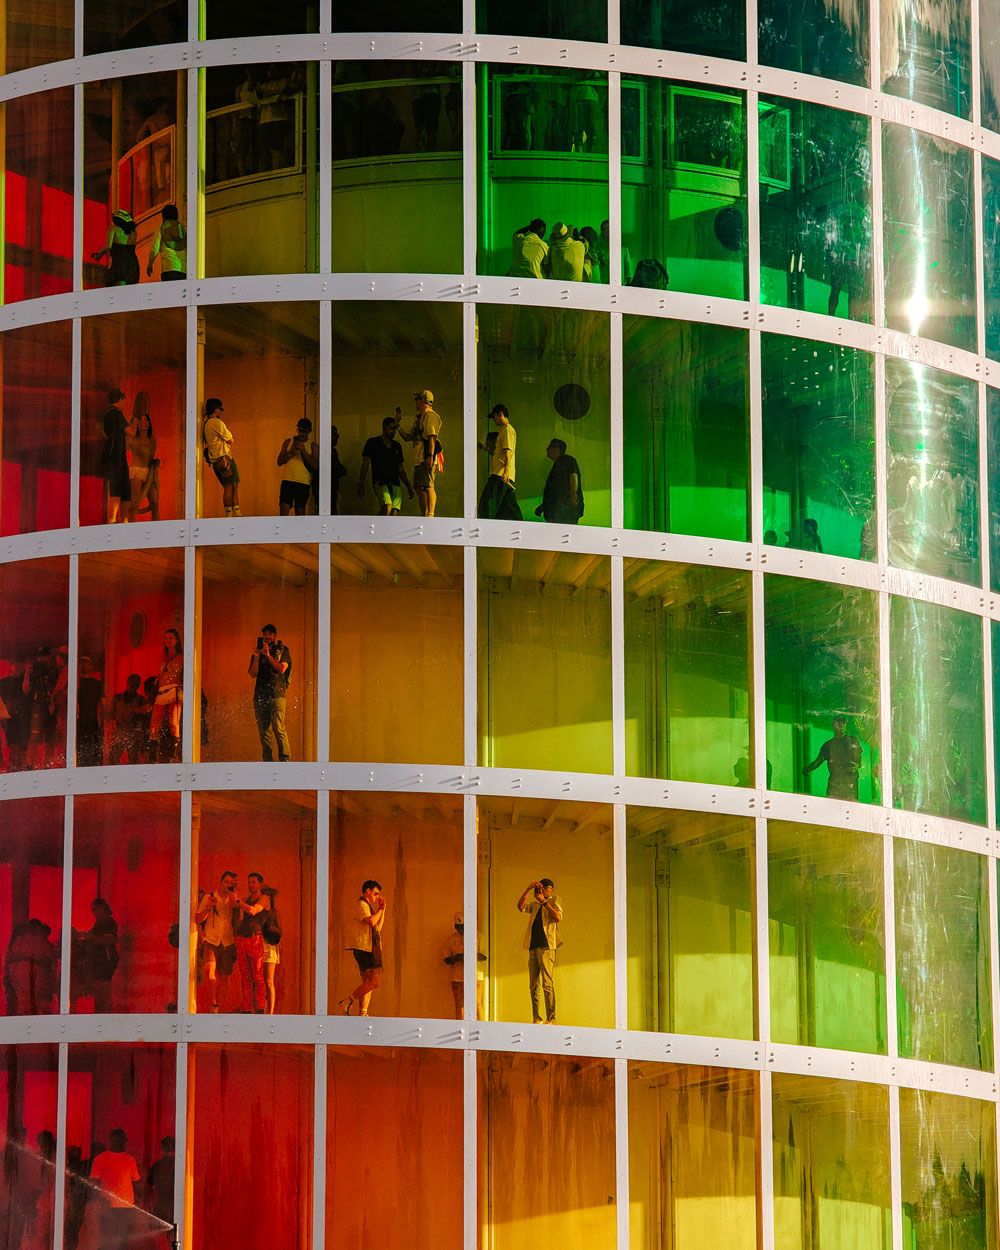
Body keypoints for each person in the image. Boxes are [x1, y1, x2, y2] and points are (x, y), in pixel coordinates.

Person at [516, 878, 563, 1025]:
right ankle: (536, 1017)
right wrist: (528, 889)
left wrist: (544, 902)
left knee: (547, 983)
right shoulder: (535, 905)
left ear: (551, 889)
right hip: (533, 947)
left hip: (547, 947)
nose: (544, 891)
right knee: (533, 985)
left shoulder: (554, 900)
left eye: (546, 888)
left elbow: (558, 917)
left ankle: (551, 1017)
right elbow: (520, 906)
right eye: (542, 888)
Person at [340, 880, 386, 1017]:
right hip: (364, 948)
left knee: (367, 983)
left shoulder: (369, 907)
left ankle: (363, 1012)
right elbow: (371, 921)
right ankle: (348, 1001)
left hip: (369, 947)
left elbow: (378, 927)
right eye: (376, 893)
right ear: (368, 891)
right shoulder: (362, 904)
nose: (377, 897)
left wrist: (383, 909)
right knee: (374, 982)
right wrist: (379, 909)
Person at [194, 871, 239, 1012]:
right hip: (211, 940)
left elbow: (238, 919)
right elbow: (198, 919)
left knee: (224, 976)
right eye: (226, 882)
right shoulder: (209, 897)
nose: (228, 885)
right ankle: (213, 1003)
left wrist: (236, 901)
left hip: (227, 941)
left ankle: (220, 1007)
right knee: (210, 972)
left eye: (231, 883)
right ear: (220, 882)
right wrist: (208, 907)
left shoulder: (234, 900)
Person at [88, 1129, 139, 1247]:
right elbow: (94, 1183)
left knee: (124, 1242)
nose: (123, 1142)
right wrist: (99, 1200)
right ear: (112, 1140)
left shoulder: (130, 1160)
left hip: (127, 1207)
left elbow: (135, 1182)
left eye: (123, 1139)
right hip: (108, 1207)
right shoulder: (101, 1159)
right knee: (108, 1241)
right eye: (120, 1139)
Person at [249, 624, 292, 763]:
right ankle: (268, 761)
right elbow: (252, 673)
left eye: (270, 634)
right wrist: (256, 657)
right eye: (264, 634)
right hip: (260, 696)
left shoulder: (282, 651)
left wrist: (268, 656)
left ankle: (285, 760)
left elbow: (281, 669)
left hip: (276, 694)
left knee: (278, 728)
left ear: (275, 635)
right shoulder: (258, 653)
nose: (267, 637)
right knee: (264, 731)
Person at [398, 389, 443, 515]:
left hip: (426, 456)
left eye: (417, 399)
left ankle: (430, 513)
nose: (415, 402)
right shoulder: (419, 419)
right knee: (419, 486)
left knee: (428, 485)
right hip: (419, 458)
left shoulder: (431, 416)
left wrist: (429, 456)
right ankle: (425, 514)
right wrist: (398, 426)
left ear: (423, 400)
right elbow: (408, 437)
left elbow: (432, 437)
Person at [357, 415, 413, 516]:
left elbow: (401, 468)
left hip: (395, 482)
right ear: (384, 427)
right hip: (380, 481)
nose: (393, 431)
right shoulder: (373, 443)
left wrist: (408, 486)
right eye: (391, 428)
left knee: (394, 511)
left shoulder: (397, 446)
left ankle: (386, 529)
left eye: (395, 429)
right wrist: (361, 482)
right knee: (387, 507)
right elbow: (365, 463)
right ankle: (377, 527)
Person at [3, 918, 59, 1015]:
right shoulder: (38, 939)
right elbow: (51, 954)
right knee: (35, 1000)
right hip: (34, 972)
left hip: (16, 973)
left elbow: (9, 957)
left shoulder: (18, 940)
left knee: (22, 1001)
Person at [477, 404, 522, 520]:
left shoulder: (507, 430)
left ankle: (484, 526)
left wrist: (506, 471)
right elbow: (500, 453)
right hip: (503, 475)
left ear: (500, 414)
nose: (494, 420)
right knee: (508, 508)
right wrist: (484, 447)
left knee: (488, 503)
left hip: (500, 474)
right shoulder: (505, 430)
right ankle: (518, 525)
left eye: (494, 417)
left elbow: (508, 451)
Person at [73, 898, 119, 1012]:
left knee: (103, 1004)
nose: (94, 913)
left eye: (95, 909)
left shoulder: (109, 923)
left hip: (104, 970)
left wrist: (90, 938)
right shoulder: (98, 925)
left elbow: (110, 940)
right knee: (98, 1003)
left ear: (103, 909)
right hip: (95, 971)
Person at [803, 716, 863, 800]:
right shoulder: (828, 745)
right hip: (835, 784)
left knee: (850, 806)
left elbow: (858, 757)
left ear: (845, 726)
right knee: (833, 806)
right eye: (838, 724)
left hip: (850, 783)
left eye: (843, 723)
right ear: (833, 726)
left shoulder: (853, 740)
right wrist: (807, 769)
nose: (841, 726)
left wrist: (857, 765)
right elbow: (818, 761)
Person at [233, 872, 268, 1013]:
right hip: (242, 938)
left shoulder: (264, 898)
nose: (250, 885)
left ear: (260, 884)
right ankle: (246, 1007)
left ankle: (260, 1007)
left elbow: (253, 910)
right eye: (249, 882)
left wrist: (238, 902)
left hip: (255, 938)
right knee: (245, 976)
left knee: (258, 976)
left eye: (253, 882)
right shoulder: (246, 899)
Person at [202, 398, 241, 517]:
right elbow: (230, 438)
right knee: (232, 487)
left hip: (215, 462)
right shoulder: (216, 423)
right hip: (224, 459)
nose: (221, 412)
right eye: (220, 409)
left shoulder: (206, 424)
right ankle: (233, 514)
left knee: (229, 486)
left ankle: (232, 513)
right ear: (215, 409)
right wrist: (228, 443)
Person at [443, 911, 485, 1020]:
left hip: (475, 975)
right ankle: (460, 1028)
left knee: (477, 1004)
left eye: (463, 927)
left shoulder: (478, 936)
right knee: (460, 1006)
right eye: (458, 928)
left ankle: (481, 1027)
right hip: (457, 976)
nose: (461, 931)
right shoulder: (451, 939)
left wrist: (468, 956)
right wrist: (456, 958)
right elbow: (446, 958)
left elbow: (484, 956)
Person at [149, 629, 182, 762]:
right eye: (166, 638)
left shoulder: (181, 657)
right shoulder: (163, 656)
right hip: (162, 690)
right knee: (155, 723)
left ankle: (174, 753)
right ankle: (153, 754)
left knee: (173, 721)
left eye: (170, 638)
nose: (168, 640)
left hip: (174, 689)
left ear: (177, 640)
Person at [99, 388, 132, 524]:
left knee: (117, 489)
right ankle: (116, 521)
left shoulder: (106, 414)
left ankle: (117, 521)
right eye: (123, 400)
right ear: (119, 400)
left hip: (110, 456)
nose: (124, 403)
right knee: (119, 490)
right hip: (117, 456)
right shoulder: (116, 414)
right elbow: (129, 430)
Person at [126, 398, 160, 522]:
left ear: (149, 423)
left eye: (146, 420)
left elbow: (150, 457)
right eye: (140, 420)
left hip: (149, 472)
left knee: (155, 501)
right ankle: (131, 525)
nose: (143, 422)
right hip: (136, 470)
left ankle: (156, 526)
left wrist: (156, 462)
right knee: (135, 500)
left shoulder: (153, 440)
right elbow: (126, 445)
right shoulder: (134, 438)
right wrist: (132, 428)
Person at [535, 439, 584, 524]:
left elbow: (573, 475)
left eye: (549, 447)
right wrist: (543, 506)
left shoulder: (567, 460)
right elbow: (555, 491)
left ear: (557, 449)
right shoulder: (558, 464)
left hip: (564, 511)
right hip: (559, 511)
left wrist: (573, 493)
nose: (547, 449)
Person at [277, 418, 318, 516]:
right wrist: (291, 452)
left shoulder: (313, 446)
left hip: (303, 482)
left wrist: (303, 451)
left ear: (309, 431)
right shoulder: (288, 442)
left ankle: (299, 530)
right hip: (288, 479)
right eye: (299, 430)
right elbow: (279, 462)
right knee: (284, 508)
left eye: (304, 431)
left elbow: (316, 466)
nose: (301, 434)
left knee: (300, 510)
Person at [91, 209, 139, 286]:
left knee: (117, 288)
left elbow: (108, 246)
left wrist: (99, 255)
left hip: (119, 262)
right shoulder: (134, 232)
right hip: (132, 263)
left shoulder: (113, 229)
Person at [145, 204, 186, 282]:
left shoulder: (160, 230)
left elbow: (154, 249)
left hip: (169, 269)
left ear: (164, 216)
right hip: (183, 270)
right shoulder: (183, 232)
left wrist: (150, 264)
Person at [76, 656, 104, 766]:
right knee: (80, 746)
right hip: (79, 719)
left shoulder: (96, 683)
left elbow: (102, 702)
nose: (83, 665)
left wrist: (103, 717)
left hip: (92, 719)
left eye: (86, 663)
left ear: (90, 666)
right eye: (81, 663)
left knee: (92, 745)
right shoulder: (76, 682)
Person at [110, 674, 143, 764]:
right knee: (113, 760)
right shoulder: (117, 698)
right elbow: (109, 716)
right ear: (127, 683)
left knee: (133, 762)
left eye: (135, 685)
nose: (132, 687)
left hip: (133, 733)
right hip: (120, 731)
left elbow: (143, 719)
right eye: (131, 684)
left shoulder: (140, 700)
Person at [260, 885, 282, 1015]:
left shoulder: (274, 913)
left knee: (269, 980)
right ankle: (261, 1008)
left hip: (270, 946)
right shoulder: (259, 913)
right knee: (258, 980)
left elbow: (280, 932)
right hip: (258, 945)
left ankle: (270, 1012)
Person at [146, 1136, 175, 1229]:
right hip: (176, 1206)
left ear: (162, 1149)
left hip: (161, 1205)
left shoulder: (158, 1165)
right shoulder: (181, 1164)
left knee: (160, 1234)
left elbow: (150, 1185)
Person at [329, 424, 348, 514]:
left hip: (331, 487)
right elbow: (340, 470)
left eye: (337, 435)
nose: (337, 438)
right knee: (331, 511)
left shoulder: (331, 452)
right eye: (335, 435)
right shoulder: (330, 452)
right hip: (330, 487)